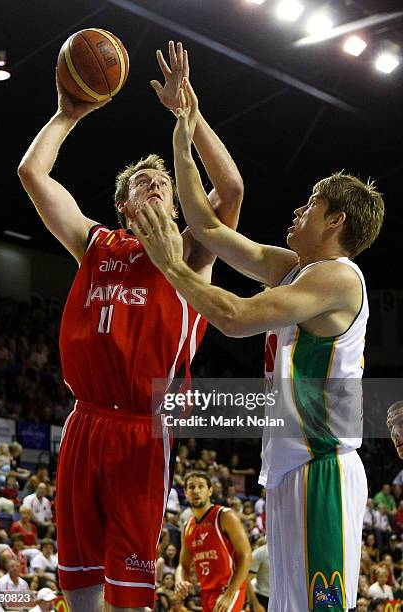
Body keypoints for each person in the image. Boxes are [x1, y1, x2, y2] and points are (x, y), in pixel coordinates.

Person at [131, 78, 384, 611]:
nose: (299, 210)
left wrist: (172, 266)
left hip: (325, 470)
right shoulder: (296, 269)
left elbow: (235, 316)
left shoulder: (338, 278)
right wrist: (186, 126)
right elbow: (204, 221)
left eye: (312, 204)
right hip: (291, 468)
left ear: (335, 220)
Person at [17, 39, 243, 612]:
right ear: (123, 205)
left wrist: (188, 116)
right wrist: (68, 115)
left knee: (129, 597)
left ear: (175, 207)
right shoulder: (95, 244)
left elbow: (233, 189)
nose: (155, 184)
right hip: (84, 422)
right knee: (79, 588)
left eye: (164, 183)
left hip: (144, 432)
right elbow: (31, 172)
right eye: (142, 182)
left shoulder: (189, 253)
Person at [175, 471, 252, 612]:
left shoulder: (225, 516)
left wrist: (230, 593)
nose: (196, 491)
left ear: (210, 491)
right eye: (191, 487)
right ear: (185, 492)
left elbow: (246, 555)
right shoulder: (187, 527)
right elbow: (183, 565)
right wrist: (180, 580)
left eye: (201, 486)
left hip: (229, 587)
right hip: (206, 591)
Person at [248, 537, 269, 611]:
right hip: (261, 598)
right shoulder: (261, 552)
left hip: (280, 598)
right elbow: (246, 580)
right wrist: (256, 604)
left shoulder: (286, 554)